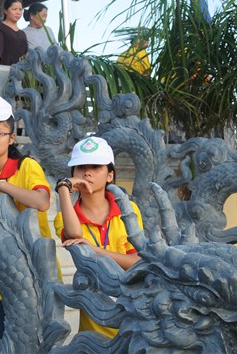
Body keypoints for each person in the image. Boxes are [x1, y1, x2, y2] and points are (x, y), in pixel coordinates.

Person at [0, 96, 53, 341]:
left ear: (11, 137)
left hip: (34, 269)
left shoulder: (26, 167)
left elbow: (42, 201)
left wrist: (0, 185)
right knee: (2, 339)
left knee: (35, 340)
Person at [53, 136, 143, 338]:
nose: (87, 172)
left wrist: (95, 251)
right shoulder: (64, 217)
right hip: (94, 318)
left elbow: (138, 261)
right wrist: (63, 188)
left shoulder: (128, 210)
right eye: (80, 167)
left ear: (110, 175)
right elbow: (74, 234)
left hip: (131, 313)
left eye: (95, 166)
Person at [0, 0, 28, 66]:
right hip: (4, 68)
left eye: (20, 9)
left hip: (21, 69)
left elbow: (26, 54)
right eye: (14, 9)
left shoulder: (22, 33)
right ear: (5, 11)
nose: (18, 12)